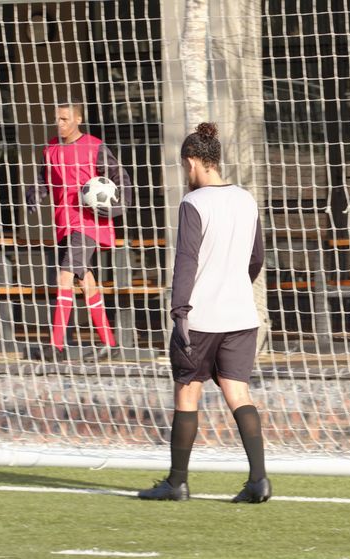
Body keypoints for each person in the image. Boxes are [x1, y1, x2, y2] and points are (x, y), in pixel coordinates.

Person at [138, 122, 269, 503]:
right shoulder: (247, 199)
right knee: (238, 392)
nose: (186, 174)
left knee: (187, 394)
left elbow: (186, 261)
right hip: (241, 316)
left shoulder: (194, 203)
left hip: (201, 318)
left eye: (185, 167)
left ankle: (176, 483)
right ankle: (258, 480)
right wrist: (236, 285)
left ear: (193, 162)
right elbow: (257, 256)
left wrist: (179, 312)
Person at [25, 101, 133, 362]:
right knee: (85, 281)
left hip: (88, 223)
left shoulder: (95, 147)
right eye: (57, 119)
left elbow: (123, 180)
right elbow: (44, 179)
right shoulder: (50, 148)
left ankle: (56, 346)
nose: (59, 124)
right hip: (64, 223)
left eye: (64, 119)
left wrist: (116, 208)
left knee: (64, 277)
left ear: (78, 119)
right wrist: (35, 193)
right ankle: (109, 342)